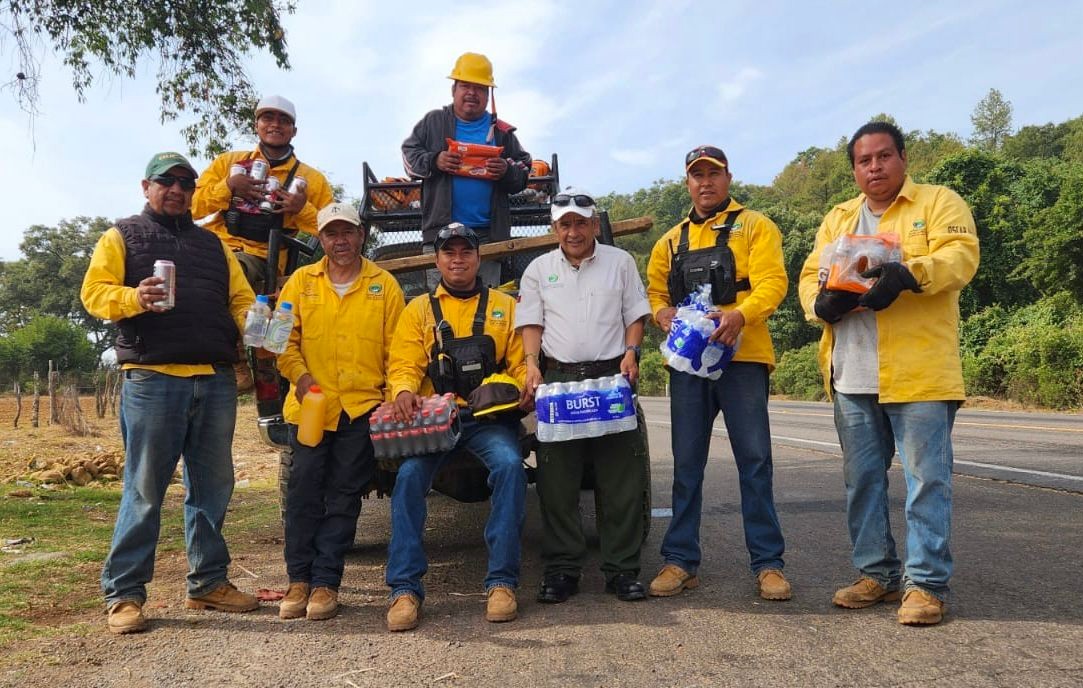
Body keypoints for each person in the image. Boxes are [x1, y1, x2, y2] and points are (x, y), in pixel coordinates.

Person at [798, 121, 979, 626]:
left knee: (927, 481)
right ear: (854, 169)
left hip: (919, 372)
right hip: (851, 372)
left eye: (883, 157)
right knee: (862, 481)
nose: (874, 167)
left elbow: (961, 258)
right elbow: (811, 275)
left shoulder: (939, 203)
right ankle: (876, 573)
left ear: (903, 158)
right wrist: (820, 304)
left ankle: (926, 584)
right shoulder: (838, 218)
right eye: (864, 161)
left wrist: (908, 274)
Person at [81, 151, 258, 634]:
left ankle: (208, 583)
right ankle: (124, 594)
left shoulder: (214, 245)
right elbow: (94, 292)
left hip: (215, 379)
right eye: (167, 181)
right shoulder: (122, 236)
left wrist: (261, 327)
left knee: (213, 487)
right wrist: (133, 297)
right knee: (144, 489)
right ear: (146, 186)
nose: (177, 190)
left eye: (186, 182)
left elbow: (240, 299)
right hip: (154, 380)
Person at [645, 145, 792, 602]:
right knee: (687, 465)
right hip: (690, 365)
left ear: (728, 178)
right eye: (697, 176)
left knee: (755, 462)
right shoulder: (670, 241)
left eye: (713, 174)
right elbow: (654, 293)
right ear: (687, 183)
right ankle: (680, 561)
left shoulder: (755, 226)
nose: (705, 183)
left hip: (742, 360)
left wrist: (742, 315)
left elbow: (773, 282)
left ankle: (768, 565)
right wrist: (661, 313)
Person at [384, 223, 527, 631]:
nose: (458, 259)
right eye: (450, 252)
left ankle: (501, 581)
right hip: (433, 421)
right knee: (409, 477)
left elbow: (519, 363)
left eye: (466, 251)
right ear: (437, 260)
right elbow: (404, 362)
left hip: (485, 421)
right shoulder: (418, 311)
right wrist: (403, 391)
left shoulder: (506, 306)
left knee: (510, 466)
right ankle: (405, 589)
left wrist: (507, 389)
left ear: (479, 258)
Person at [516, 188, 652, 604]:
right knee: (558, 482)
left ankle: (622, 569)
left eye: (581, 222)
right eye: (565, 224)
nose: (573, 231)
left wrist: (632, 353)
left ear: (595, 224)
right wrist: (531, 363)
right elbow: (532, 322)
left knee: (620, 480)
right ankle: (562, 569)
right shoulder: (538, 269)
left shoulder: (620, 263)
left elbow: (635, 314)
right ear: (554, 228)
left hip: (610, 378)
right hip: (558, 382)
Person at [274, 202, 405, 621]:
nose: (340, 241)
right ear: (321, 239)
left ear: (361, 234)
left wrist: (390, 396)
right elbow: (281, 341)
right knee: (303, 492)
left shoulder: (384, 285)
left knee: (344, 496)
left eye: (347, 231)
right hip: (311, 407)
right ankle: (298, 580)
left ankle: (327, 584)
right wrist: (299, 376)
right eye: (331, 234)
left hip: (361, 408)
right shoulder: (300, 282)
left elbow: (399, 350)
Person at [401, 52, 532, 288]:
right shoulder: (433, 122)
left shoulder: (502, 131)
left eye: (480, 87)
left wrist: (505, 170)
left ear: (488, 94)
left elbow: (524, 170)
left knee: (486, 305)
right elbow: (409, 155)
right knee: (440, 308)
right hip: (440, 237)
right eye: (465, 85)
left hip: (487, 237)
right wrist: (435, 161)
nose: (472, 92)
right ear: (454, 90)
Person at [192, 95, 334, 295]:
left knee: (223, 272)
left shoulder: (312, 179)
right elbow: (190, 208)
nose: (275, 125)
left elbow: (337, 231)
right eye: (268, 118)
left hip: (259, 258)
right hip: (212, 244)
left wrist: (302, 210)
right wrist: (228, 187)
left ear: (294, 131)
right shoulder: (228, 162)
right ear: (256, 125)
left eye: (284, 121)